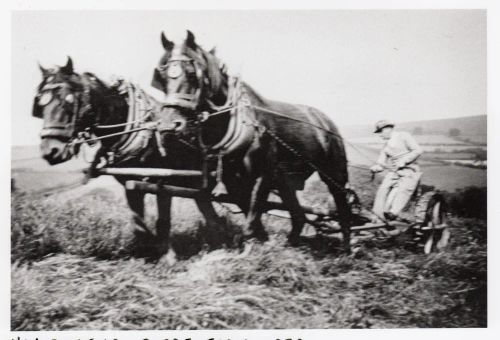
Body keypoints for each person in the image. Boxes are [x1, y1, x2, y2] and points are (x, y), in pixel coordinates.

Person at [370, 120, 423, 222]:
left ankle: (393, 213)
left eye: (380, 132)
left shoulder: (404, 136)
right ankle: (378, 215)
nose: (380, 135)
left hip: (410, 170)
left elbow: (418, 150)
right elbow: (381, 163)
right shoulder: (385, 146)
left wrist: (404, 161)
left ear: (388, 129)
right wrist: (376, 168)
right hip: (394, 172)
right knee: (383, 189)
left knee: (404, 189)